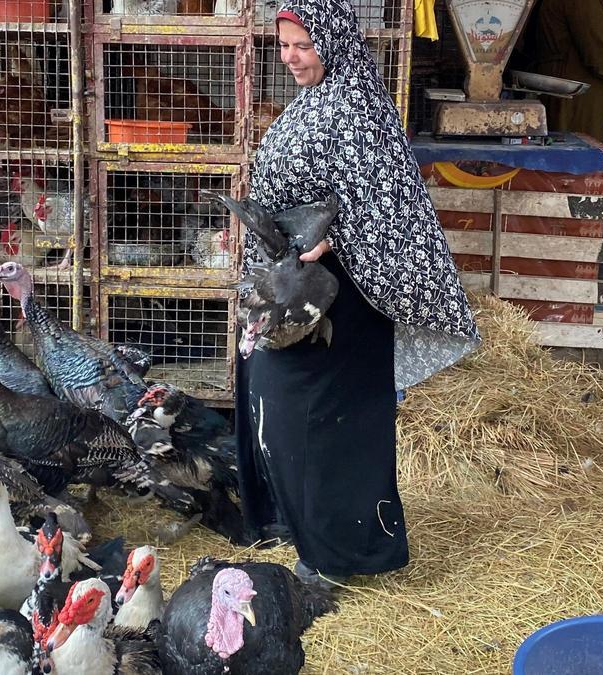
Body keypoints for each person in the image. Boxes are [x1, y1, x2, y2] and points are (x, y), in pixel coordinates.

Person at [234, 0, 480, 588]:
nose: (291, 57)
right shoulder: (316, 100)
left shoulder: (358, 106)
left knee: (323, 424)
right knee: (285, 410)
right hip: (300, 289)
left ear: (334, 40)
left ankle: (338, 556)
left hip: (343, 300)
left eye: (303, 44)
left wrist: (332, 240)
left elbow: (386, 205)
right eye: (285, 45)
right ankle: (308, 531)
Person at [530, 0, 603, 141]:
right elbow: (599, 55)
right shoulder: (583, 3)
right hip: (575, 95)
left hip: (565, 88)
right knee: (576, 152)